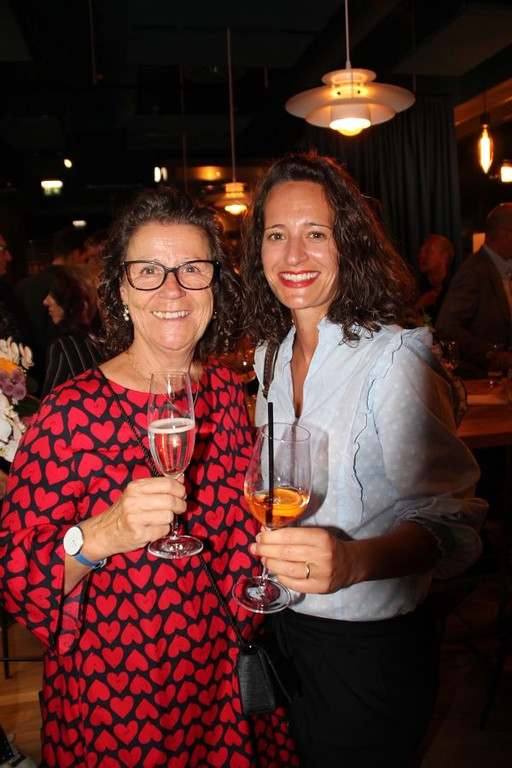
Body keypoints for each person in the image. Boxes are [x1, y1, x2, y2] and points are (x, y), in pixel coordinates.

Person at [0, 187, 297, 768]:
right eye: (149, 271)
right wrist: (100, 535)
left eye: (192, 269)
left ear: (215, 285)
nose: (172, 290)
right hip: (122, 701)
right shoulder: (70, 413)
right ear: (120, 288)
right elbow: (15, 577)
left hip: (224, 685)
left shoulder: (225, 392)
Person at [239, 152, 486, 768]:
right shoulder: (271, 355)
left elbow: (449, 525)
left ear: (348, 243)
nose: (293, 255)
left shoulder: (394, 359)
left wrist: (353, 561)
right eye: (276, 234)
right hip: (285, 630)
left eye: (316, 233)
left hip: (368, 652)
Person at [436, 203, 512, 378]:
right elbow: (446, 326)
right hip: (481, 379)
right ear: (507, 233)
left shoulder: (500, 267)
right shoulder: (474, 270)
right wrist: (493, 354)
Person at [15, 226, 88, 392]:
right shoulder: (74, 283)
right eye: (86, 258)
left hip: (30, 379)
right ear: (76, 254)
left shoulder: (23, 286)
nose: (46, 301)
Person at [40, 265, 106, 396]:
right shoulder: (112, 339)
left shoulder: (64, 348)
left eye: (54, 294)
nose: (46, 301)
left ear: (70, 298)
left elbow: (50, 405)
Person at [413, 233, 454, 324]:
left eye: (427, 251)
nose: (421, 256)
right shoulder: (414, 290)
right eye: (421, 252)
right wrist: (418, 306)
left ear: (444, 257)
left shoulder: (456, 288)